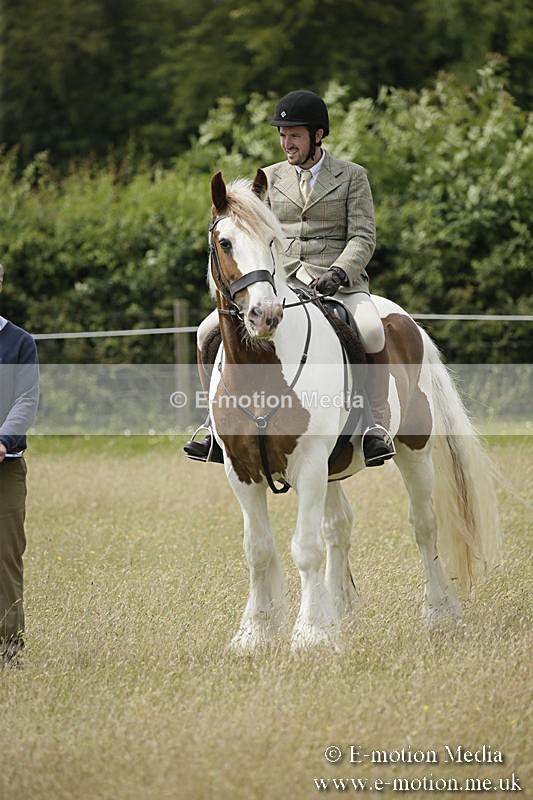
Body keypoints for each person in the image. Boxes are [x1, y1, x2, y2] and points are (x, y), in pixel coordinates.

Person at [185, 89, 393, 467]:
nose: (286, 143)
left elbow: (363, 236)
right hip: (283, 282)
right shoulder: (267, 178)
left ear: (318, 135)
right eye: (282, 135)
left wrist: (338, 273)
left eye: (294, 134)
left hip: (336, 282)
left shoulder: (351, 177)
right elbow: (249, 233)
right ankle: (212, 425)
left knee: (371, 328)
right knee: (205, 331)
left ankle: (374, 425)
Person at [0, 263, 39, 668]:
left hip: (5, 467)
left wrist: (3, 440)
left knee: (6, 557)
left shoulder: (19, 342)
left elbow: (26, 399)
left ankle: (9, 651)